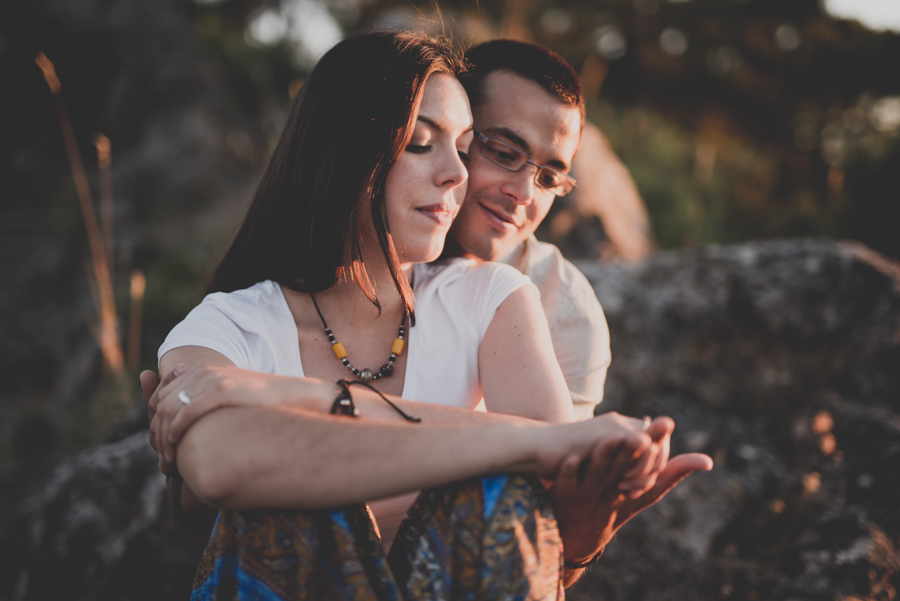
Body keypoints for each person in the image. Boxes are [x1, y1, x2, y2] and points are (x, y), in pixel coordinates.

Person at [143, 30, 711, 598]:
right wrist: (531, 443)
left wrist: (295, 400)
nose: (458, 175)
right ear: (343, 148)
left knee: (501, 502)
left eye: (464, 150)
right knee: (281, 504)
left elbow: (551, 513)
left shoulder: (498, 298)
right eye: (421, 143)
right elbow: (218, 462)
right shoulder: (228, 323)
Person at [446, 39, 610, 422]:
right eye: (504, 154)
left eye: (549, 178)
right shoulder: (368, 250)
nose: (523, 194)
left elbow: (547, 472)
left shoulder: (566, 313)